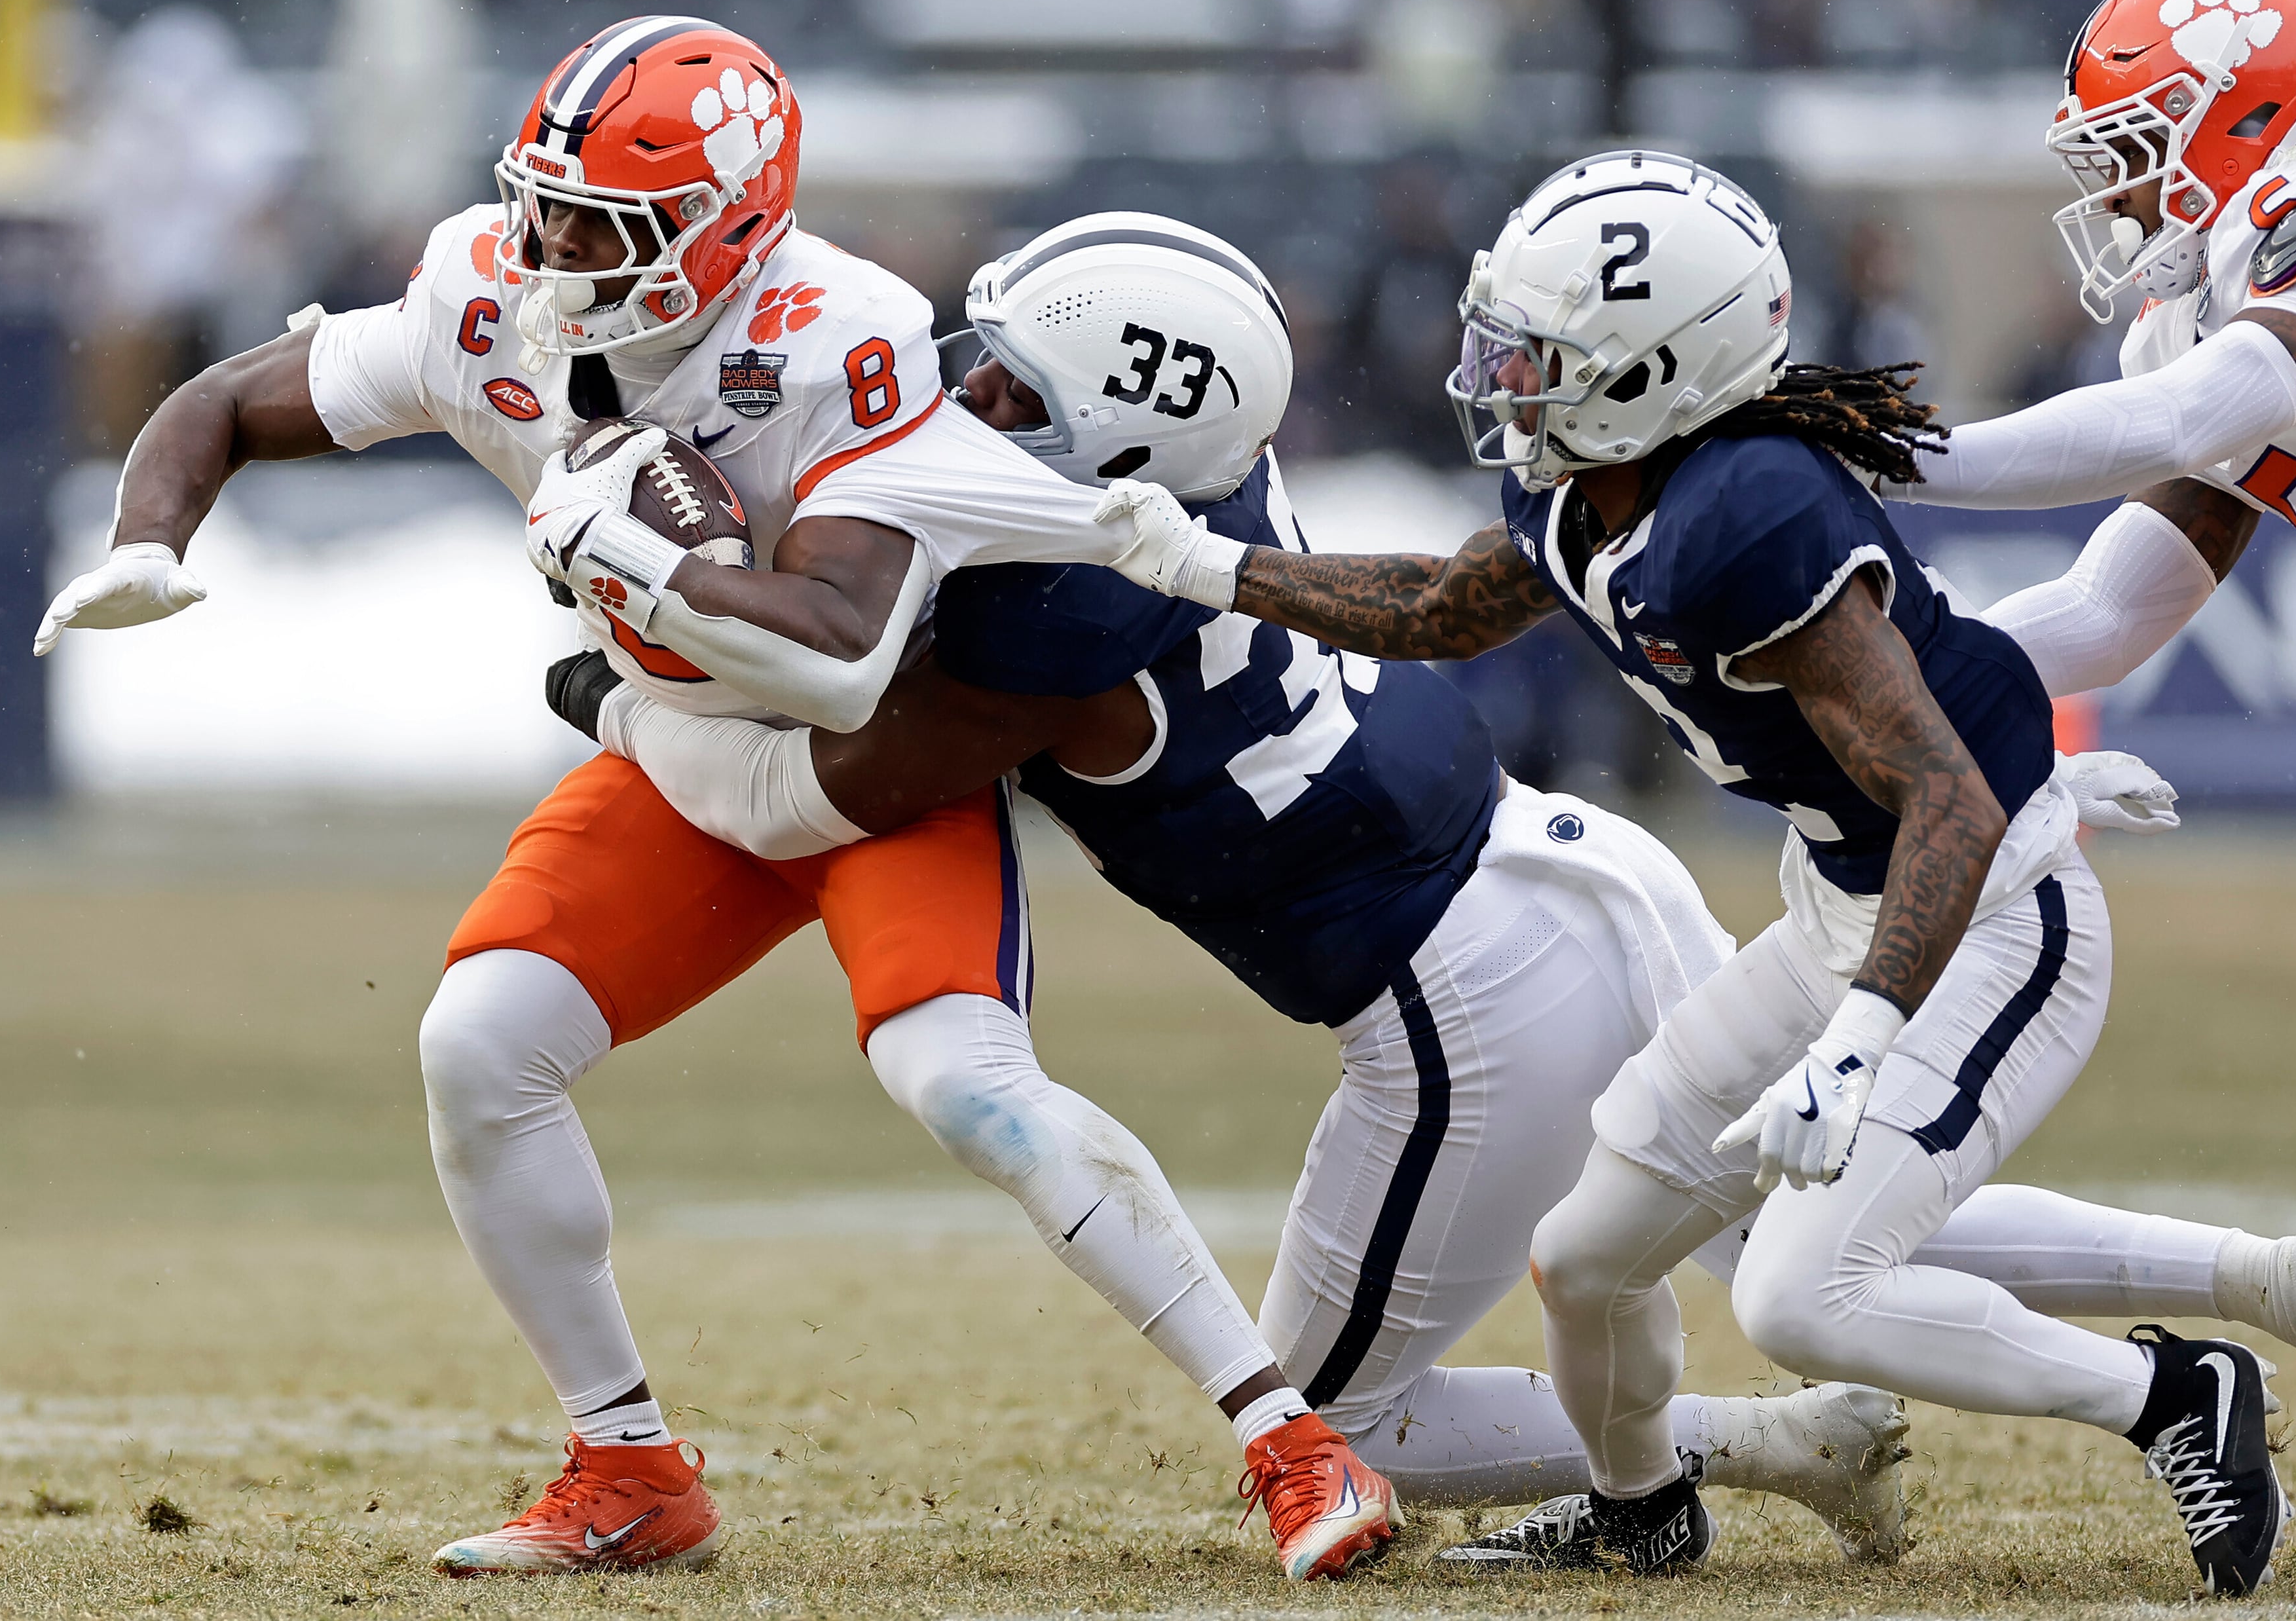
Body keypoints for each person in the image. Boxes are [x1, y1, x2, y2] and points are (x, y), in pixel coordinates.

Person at [28, 19, 1390, 1583]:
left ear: (728, 224)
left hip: (870, 769)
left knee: (972, 1088)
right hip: (683, 758)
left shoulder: (838, 336)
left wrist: (641, 559)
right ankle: (627, 1466)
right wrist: (150, 537)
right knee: (478, 1045)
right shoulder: (485, 295)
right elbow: (226, 402)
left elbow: (841, 655)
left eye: (600, 225)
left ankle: (1289, 1437)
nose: (551, 251)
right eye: (545, 207)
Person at [549, 210, 1927, 1559]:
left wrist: (616, 696)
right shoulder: (1188, 474)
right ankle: (1875, 1417)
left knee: (1350, 1426)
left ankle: (1792, 1442)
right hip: (1571, 871)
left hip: (1469, 991)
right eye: (988, 358)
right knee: (1862, 1235)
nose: (967, 395)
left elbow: (800, 799)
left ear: (1124, 439)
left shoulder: (1055, 615)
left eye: (1017, 389)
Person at [1087, 152, 2292, 1595]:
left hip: (1987, 914)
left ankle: (2172, 1393)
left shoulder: (1748, 514)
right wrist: (1207, 568)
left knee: (1802, 1293)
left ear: (1653, 369)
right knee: (1588, 1255)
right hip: (1843, 902)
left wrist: (1856, 1043)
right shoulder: (1597, 488)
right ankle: (1640, 1503)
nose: (1500, 377)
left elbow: (1949, 801)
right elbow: (1440, 606)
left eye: (1536, 353)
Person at [1887, 0, 2296, 702]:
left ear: (2247, 119)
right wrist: (1903, 694)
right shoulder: (2202, 313)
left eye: (2136, 149)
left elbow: (2177, 421)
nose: (2113, 197)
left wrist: (1887, 454)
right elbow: (2106, 612)